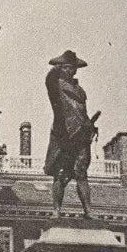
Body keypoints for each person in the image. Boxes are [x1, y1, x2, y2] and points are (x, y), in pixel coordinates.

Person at [43, 49, 101, 218]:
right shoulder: (56, 86)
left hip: (81, 135)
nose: (70, 71)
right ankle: (56, 211)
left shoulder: (80, 90)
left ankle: (88, 211)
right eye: (66, 67)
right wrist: (56, 68)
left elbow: (81, 112)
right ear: (61, 68)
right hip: (64, 135)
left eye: (72, 67)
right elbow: (49, 79)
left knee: (82, 173)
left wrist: (89, 125)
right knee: (60, 174)